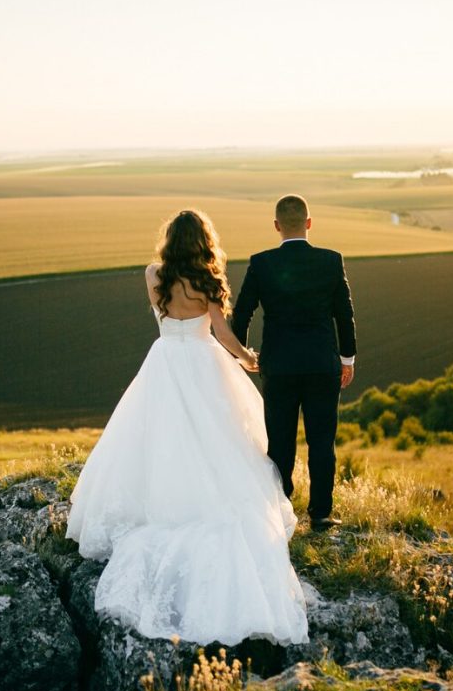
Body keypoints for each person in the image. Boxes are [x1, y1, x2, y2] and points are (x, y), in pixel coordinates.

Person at [65, 209, 309, 647]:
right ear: (203, 241)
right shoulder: (207, 279)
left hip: (164, 360)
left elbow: (164, 319)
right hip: (202, 361)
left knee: (157, 438)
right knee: (219, 439)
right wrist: (247, 359)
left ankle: (159, 500)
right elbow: (222, 334)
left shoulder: (153, 275)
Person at [231, 194, 356, 532]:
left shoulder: (261, 263)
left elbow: (242, 313)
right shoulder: (331, 261)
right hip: (321, 364)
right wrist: (347, 358)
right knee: (322, 441)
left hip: (278, 366)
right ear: (309, 223)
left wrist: (240, 356)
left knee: (280, 441)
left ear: (277, 226)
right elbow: (344, 315)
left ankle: (280, 510)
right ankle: (321, 514)